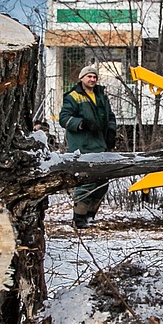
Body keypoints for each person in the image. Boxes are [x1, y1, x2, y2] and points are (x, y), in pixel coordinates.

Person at [60, 64, 118, 229]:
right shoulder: (73, 96)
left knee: (102, 182)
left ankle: (90, 216)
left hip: (101, 144)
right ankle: (79, 218)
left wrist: (111, 132)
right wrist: (83, 124)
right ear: (81, 78)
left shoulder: (101, 96)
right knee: (87, 181)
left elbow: (111, 116)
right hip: (83, 146)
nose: (92, 79)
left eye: (94, 77)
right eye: (89, 77)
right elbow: (64, 119)